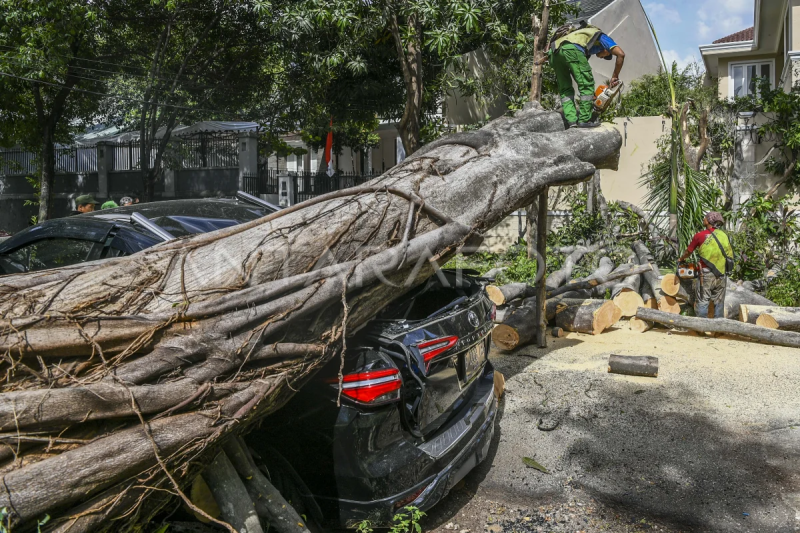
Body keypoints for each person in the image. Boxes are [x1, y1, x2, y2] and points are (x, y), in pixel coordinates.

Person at [550, 23, 625, 128]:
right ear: (607, 51)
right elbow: (621, 54)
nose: (601, 57)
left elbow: (575, 73)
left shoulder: (584, 44)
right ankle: (584, 120)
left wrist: (591, 94)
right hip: (571, 49)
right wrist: (615, 76)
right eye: (605, 56)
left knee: (565, 89)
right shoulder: (602, 37)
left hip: (554, 51)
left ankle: (571, 121)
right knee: (587, 85)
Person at [678, 211, 734, 319]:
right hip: (722, 274)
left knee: (703, 301)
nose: (703, 220)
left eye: (705, 218)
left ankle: (701, 328)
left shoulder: (700, 236)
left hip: (706, 274)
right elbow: (729, 254)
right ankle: (718, 329)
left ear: (708, 221)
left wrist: (681, 259)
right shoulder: (723, 235)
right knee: (719, 302)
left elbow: (688, 252)